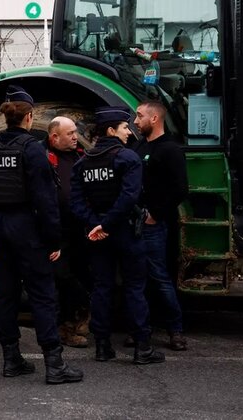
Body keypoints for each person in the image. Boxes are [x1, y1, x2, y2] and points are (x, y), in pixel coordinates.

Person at [0, 85, 84, 384]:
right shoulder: (32, 149)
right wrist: (53, 240)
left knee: (7, 294)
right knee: (42, 294)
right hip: (27, 228)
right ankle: (55, 364)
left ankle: (11, 359)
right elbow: (45, 200)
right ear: (29, 118)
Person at [70, 106, 165, 365]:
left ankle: (102, 346)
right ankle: (142, 348)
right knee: (135, 288)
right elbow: (129, 197)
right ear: (111, 130)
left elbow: (76, 201)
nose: (128, 132)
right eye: (124, 127)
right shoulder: (128, 159)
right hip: (124, 231)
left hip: (97, 235)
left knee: (102, 288)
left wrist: (96, 225)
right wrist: (108, 225)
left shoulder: (83, 163)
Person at [132, 100, 189, 351]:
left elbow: (180, 189)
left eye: (139, 116)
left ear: (154, 119)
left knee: (159, 277)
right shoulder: (139, 146)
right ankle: (141, 330)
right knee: (137, 279)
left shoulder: (170, 150)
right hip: (135, 223)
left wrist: (156, 214)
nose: (135, 121)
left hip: (153, 225)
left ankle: (175, 330)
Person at [43, 117, 91, 348]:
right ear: (54, 137)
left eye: (75, 132)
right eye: (70, 133)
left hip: (79, 230)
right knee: (62, 279)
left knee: (82, 274)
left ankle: (77, 321)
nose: (75, 136)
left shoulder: (81, 156)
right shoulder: (41, 156)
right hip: (56, 231)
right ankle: (63, 329)